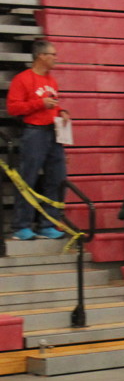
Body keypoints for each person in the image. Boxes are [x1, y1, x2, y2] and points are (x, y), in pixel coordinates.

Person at [7, 39, 70, 241]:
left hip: (53, 132)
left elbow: (53, 105)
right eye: (53, 54)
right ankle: (21, 226)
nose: (56, 58)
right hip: (34, 132)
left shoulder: (52, 80)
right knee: (28, 178)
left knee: (56, 179)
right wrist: (39, 103)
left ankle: (48, 224)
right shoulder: (22, 79)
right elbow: (13, 108)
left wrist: (62, 112)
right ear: (41, 56)